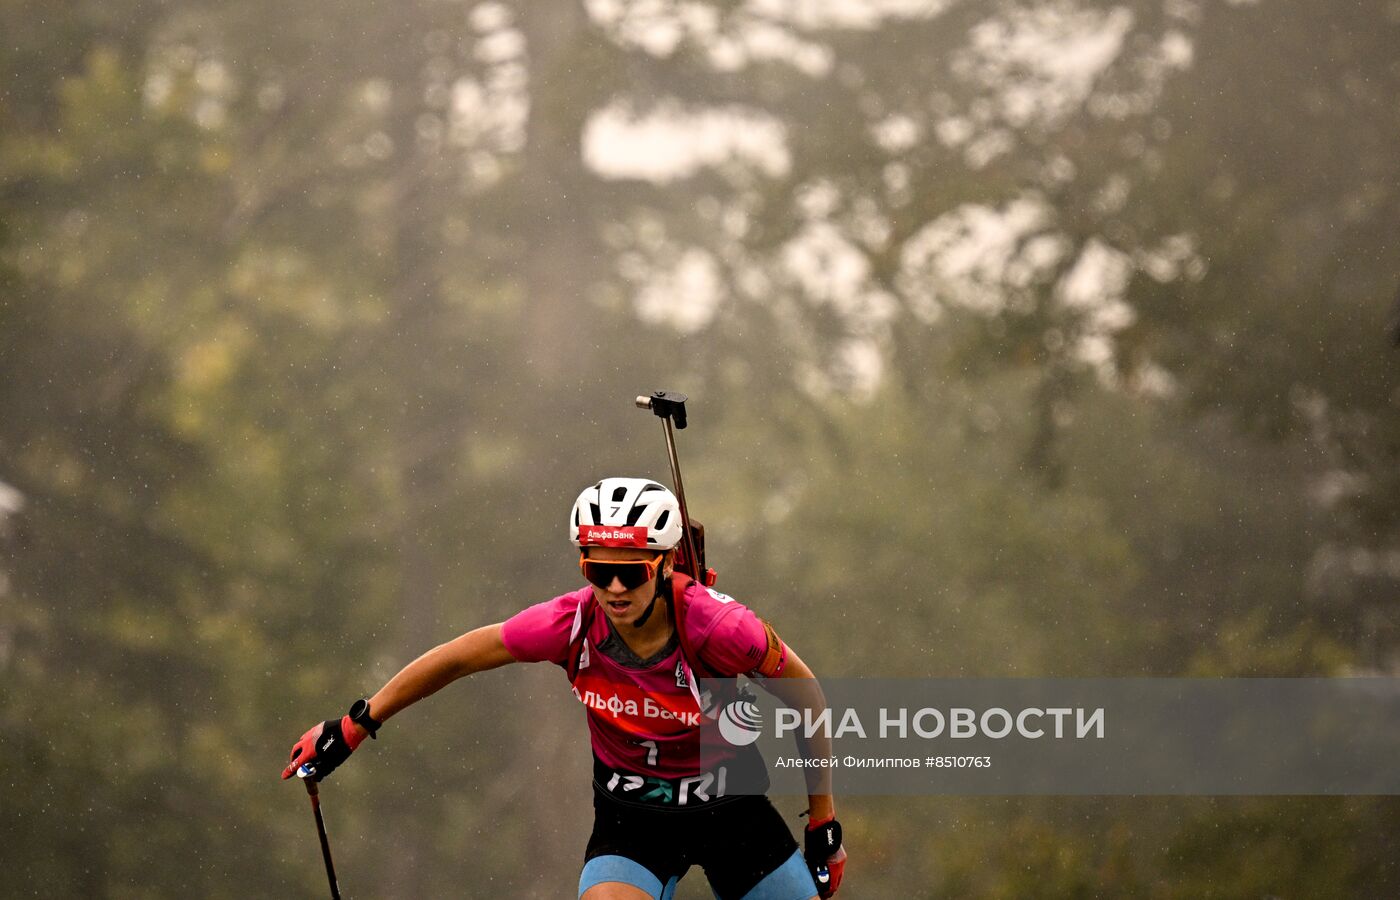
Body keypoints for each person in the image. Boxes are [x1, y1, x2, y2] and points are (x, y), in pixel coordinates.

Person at [283, 476, 847, 899]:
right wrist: (356, 724)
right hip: (633, 819)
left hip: (731, 810)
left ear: (667, 562)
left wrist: (822, 821)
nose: (617, 587)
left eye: (634, 570)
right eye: (600, 571)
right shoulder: (568, 624)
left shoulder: (720, 628)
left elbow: (808, 698)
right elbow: (457, 658)